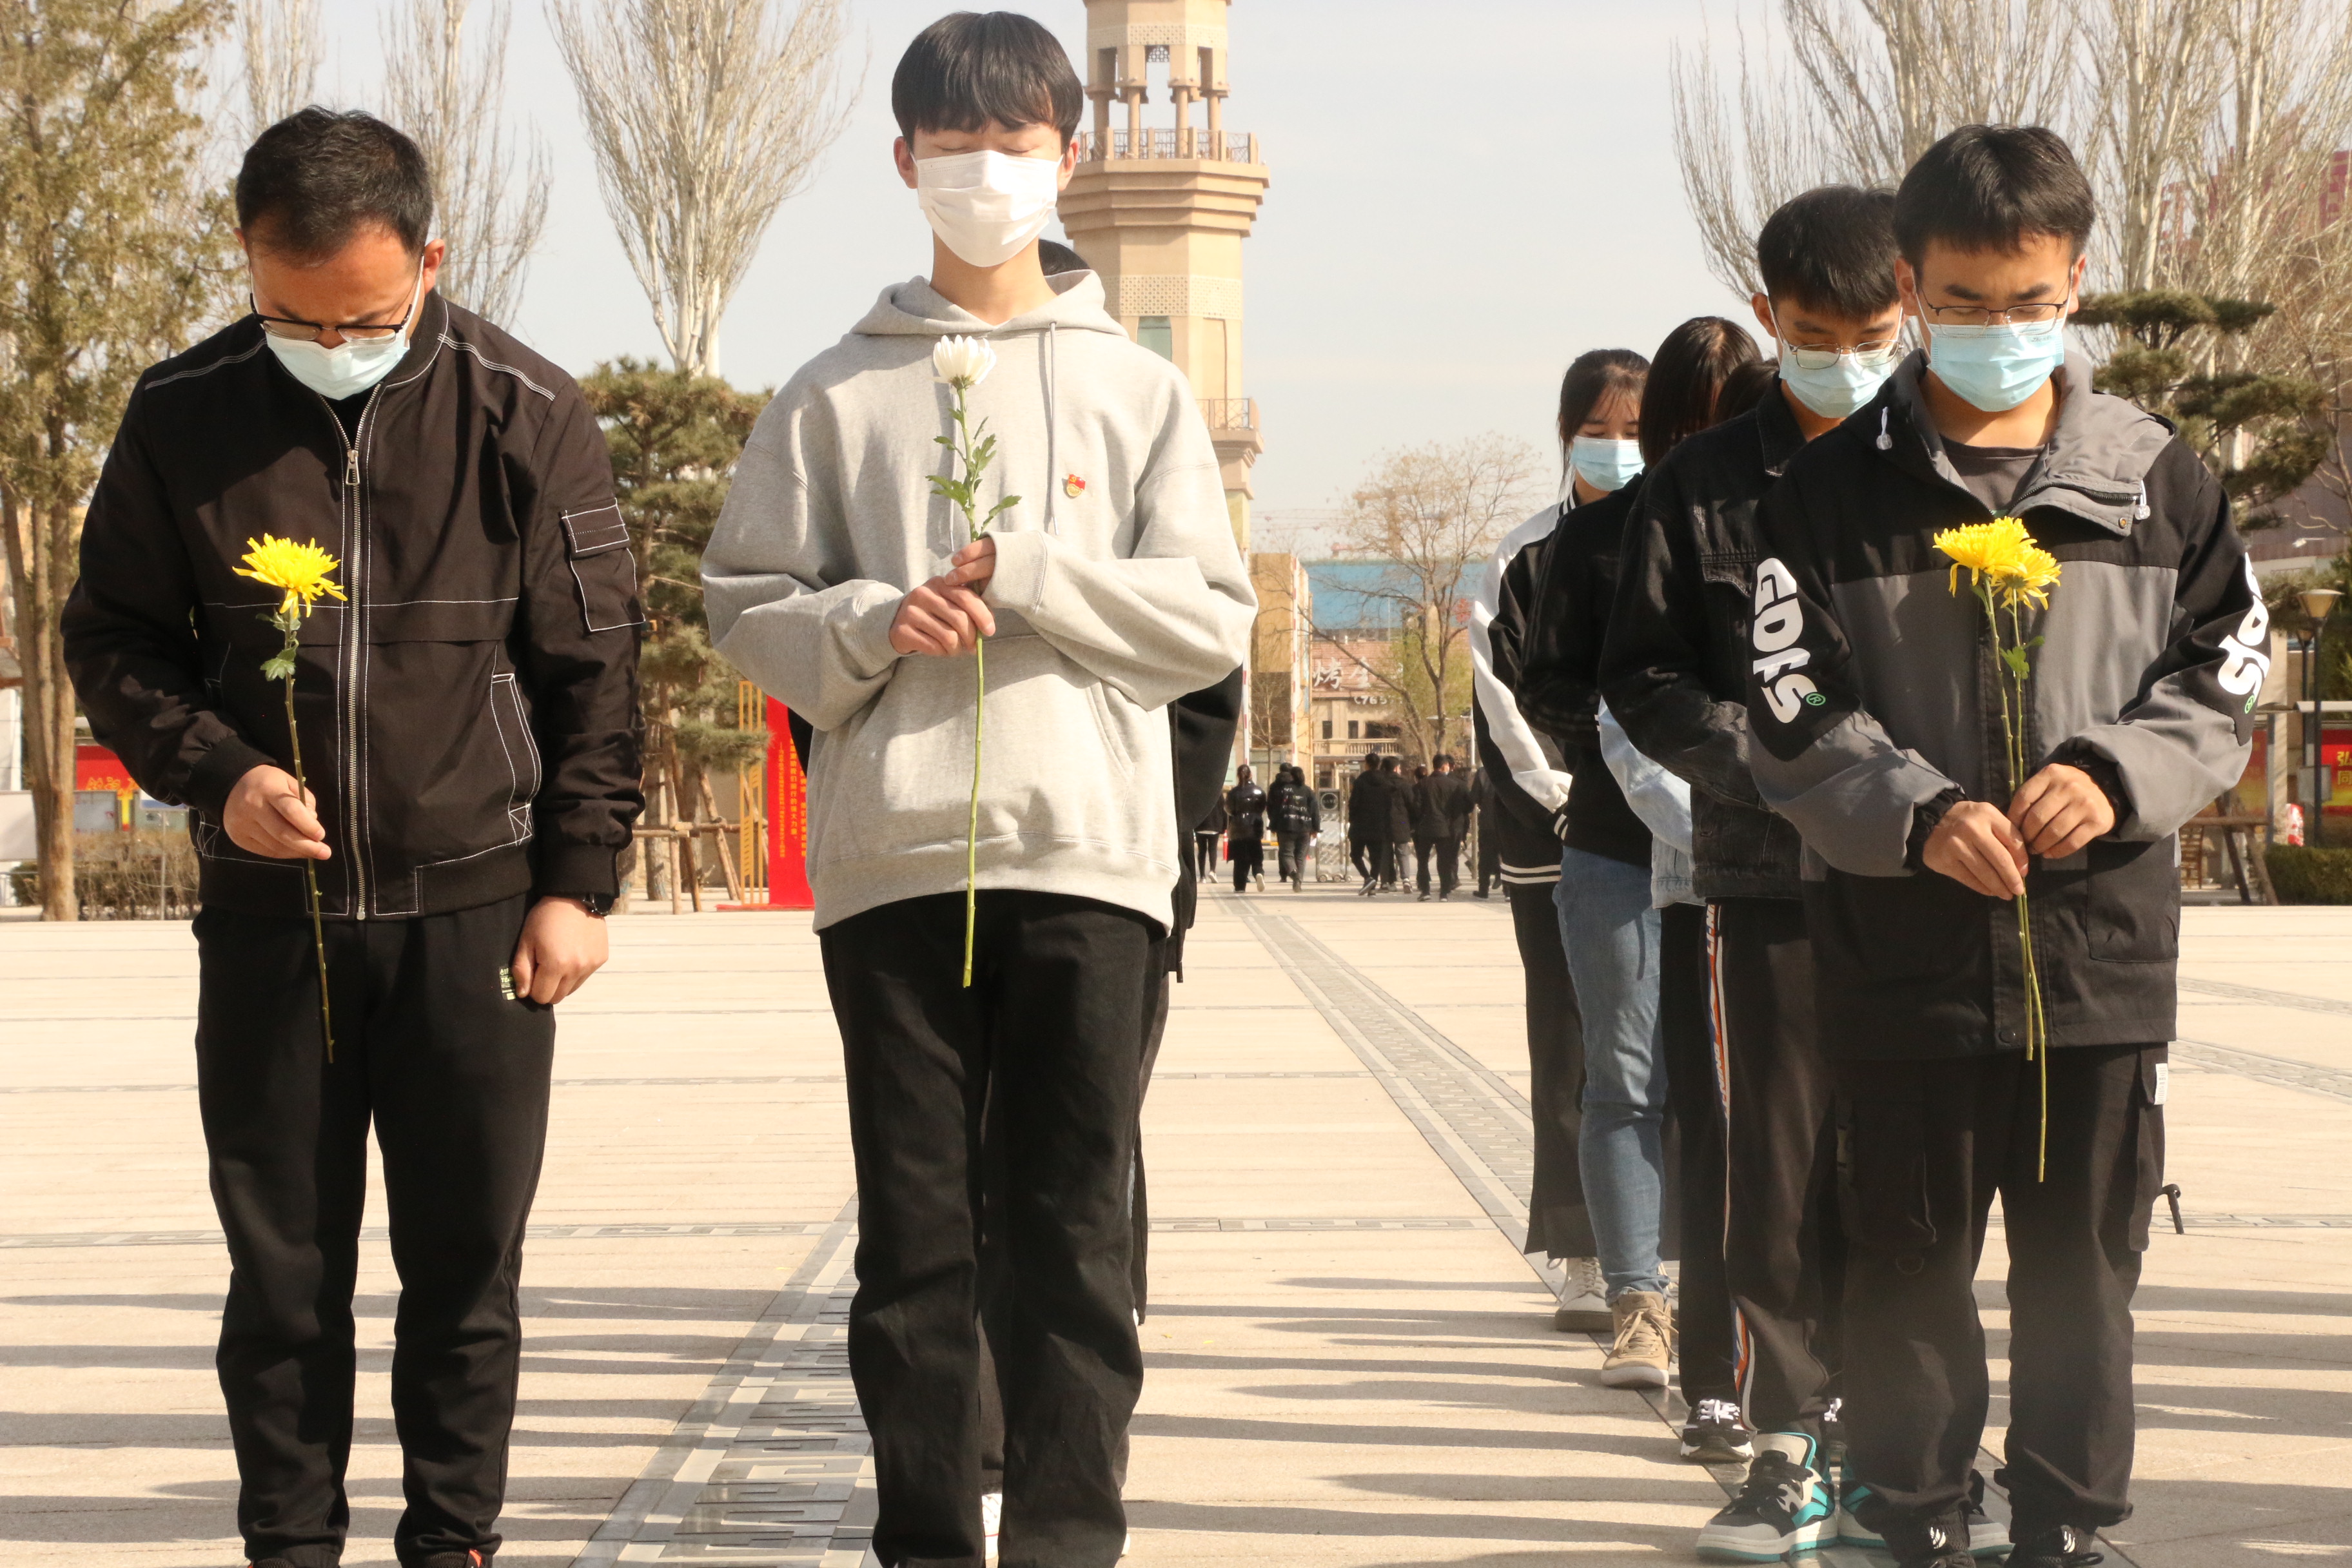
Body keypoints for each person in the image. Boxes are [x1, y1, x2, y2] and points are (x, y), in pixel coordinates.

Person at [698, 15, 1255, 1566]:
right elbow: (742, 601)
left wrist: (1038, 576)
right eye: (955, 148)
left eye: (1015, 146)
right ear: (904, 162)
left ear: (1070, 156)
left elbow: (1211, 620)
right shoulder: (833, 392)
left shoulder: (1139, 392)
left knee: (1074, 1234)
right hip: (894, 864)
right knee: (917, 1244)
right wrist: (877, 622)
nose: (987, 175)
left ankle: (1070, 1538)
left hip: (1089, 862)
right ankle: (929, 1537)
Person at [60, 110, 643, 1568]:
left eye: (368, 318)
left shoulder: (527, 410)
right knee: (282, 1279)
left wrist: (576, 881)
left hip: (476, 921)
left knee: (466, 1272)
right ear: (247, 262)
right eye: (294, 315)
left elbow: (594, 669)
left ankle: (454, 1540)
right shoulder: (182, 414)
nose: (331, 343)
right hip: (275, 921)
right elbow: (114, 638)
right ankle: (290, 1545)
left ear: (431, 261)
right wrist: (220, 773)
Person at [1746, 126, 2257, 1568]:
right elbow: (1788, 700)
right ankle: (1910, 1514)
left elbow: (2225, 667)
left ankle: (2068, 1526)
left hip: (2097, 954)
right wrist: (1912, 810)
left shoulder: (2156, 477)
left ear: (2077, 281)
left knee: (2085, 1269)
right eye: (1963, 302)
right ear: (1911, 288)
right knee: (1903, 1263)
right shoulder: (1824, 496)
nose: (1997, 330)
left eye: (2029, 301)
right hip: (1899, 954)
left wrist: (2114, 773)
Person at [1601, 185, 1905, 1531]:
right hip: (1766, 872)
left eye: (1872, 335)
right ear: (1766, 311)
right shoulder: (1704, 483)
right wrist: (1778, 763)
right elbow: (1644, 676)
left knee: (1906, 1170)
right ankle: (1783, 1435)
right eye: (1815, 335)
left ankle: (1906, 1438)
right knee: (1772, 1169)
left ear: (1909, 308)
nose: (1846, 359)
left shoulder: (1942, 464)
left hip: (1923, 875)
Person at [1521, 318, 1759, 1397]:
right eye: (1677, 422)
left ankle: (1737, 1301)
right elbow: (1546, 681)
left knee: (1743, 1090)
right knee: (1622, 1078)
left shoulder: (1777, 521)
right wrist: (1632, 735)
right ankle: (1636, 1301)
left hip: (1750, 847)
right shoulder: (1595, 539)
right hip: (1616, 847)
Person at [1466, 347, 1647, 1328]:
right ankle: (1582, 1248)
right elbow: (1502, 697)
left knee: (1667, 1043)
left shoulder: (1676, 536)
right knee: (1572, 1035)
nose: (1615, 447)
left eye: (1635, 430)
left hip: (1670, 824)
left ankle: (1660, 1249)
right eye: (1597, 430)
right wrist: (1565, 795)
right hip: (1558, 830)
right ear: (1566, 436)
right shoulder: (1521, 557)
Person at [1416, 752, 1471, 899]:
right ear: (1445, 766)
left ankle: (1425, 890)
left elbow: (1416, 806)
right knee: (1444, 860)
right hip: (1445, 827)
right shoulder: (1453, 785)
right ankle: (1444, 892)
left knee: (1423, 860)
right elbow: (1460, 808)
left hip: (1425, 826)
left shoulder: (1423, 784)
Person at [1349, 750, 1391, 895]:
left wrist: (1352, 819)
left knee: (1355, 855)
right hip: (1379, 824)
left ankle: (1368, 878)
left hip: (1360, 825)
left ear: (1366, 764)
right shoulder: (1386, 782)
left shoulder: (1360, 781)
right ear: (1378, 764)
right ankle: (1372, 886)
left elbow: (1353, 804)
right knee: (1376, 858)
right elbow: (1389, 804)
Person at [1273, 763, 1320, 890]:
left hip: (1286, 826)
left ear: (1292, 776)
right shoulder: (1308, 791)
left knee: (1286, 853)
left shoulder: (1284, 790)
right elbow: (1315, 810)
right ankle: (1299, 880)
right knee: (1301, 856)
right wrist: (1316, 828)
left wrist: (1274, 825)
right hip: (1305, 828)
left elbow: (1276, 808)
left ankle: (1294, 874)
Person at [1226, 764, 1268, 893]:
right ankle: (1258, 872)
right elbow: (1262, 807)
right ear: (1251, 775)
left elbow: (1229, 809)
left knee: (1240, 859)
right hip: (1254, 826)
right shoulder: (1259, 791)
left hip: (1238, 827)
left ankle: (1240, 886)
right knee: (1256, 854)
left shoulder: (1233, 792)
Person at [1378, 754, 1415, 888]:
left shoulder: (1379, 784)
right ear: (1395, 768)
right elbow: (1412, 804)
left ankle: (1386, 882)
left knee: (1385, 853)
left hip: (1383, 822)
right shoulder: (1404, 784)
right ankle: (1406, 879)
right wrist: (1412, 823)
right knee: (1403, 851)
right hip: (1402, 822)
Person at [1195, 793, 1225, 883]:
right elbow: (1224, 810)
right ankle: (1212, 871)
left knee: (1202, 851)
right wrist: (1224, 826)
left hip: (1200, 825)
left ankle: (1202, 877)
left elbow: (1193, 809)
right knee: (1213, 849)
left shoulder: (1198, 793)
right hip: (1215, 825)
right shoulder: (1218, 792)